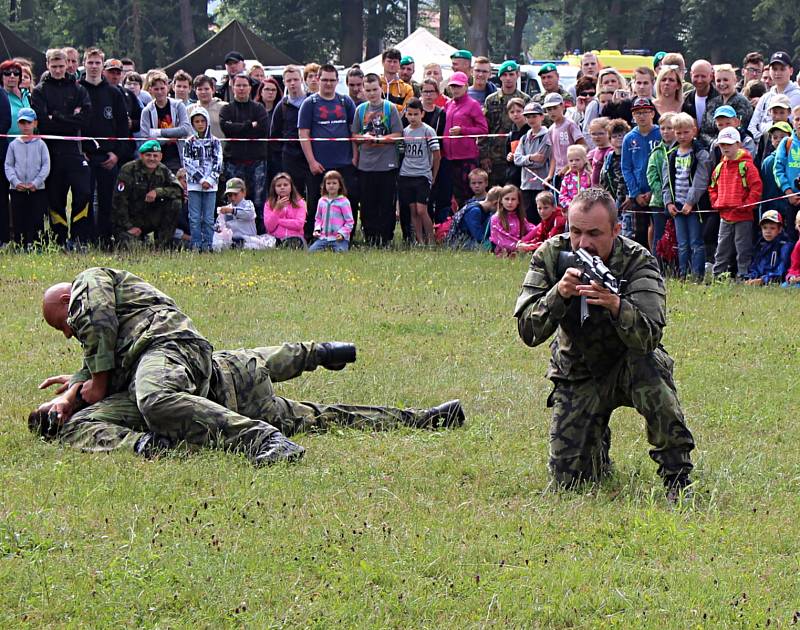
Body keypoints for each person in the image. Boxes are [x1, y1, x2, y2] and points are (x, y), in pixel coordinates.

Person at [35, 269, 465, 464]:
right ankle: (423, 419)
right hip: (215, 392)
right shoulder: (101, 357)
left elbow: (97, 324)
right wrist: (72, 394)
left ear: (65, 299)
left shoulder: (91, 284)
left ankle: (262, 438)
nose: (69, 333)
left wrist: (87, 383)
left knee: (157, 398)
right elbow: (95, 373)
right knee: (319, 417)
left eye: (64, 324)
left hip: (174, 353)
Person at [513, 188, 695, 501]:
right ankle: (596, 446)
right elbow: (528, 331)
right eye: (576, 232)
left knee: (652, 371)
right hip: (577, 371)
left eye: (595, 234)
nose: (584, 243)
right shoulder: (552, 255)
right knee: (569, 481)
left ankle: (677, 478)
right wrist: (560, 293)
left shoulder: (638, 262)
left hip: (630, 364)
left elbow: (649, 337)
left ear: (615, 230)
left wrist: (615, 305)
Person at [31, 48, 92, 246]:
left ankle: (79, 237)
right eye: (54, 66)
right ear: (48, 65)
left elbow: (84, 119)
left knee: (83, 192)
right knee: (55, 197)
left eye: (61, 66)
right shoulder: (40, 90)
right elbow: (42, 121)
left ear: (68, 65)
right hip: (51, 152)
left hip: (74, 150)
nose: (58, 70)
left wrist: (56, 116)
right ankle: (59, 238)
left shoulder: (78, 89)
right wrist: (69, 118)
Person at [298, 64, 357, 241]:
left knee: (348, 201)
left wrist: (355, 156)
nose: (328, 84)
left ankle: (346, 237)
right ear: (318, 79)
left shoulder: (345, 102)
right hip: (319, 164)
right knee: (316, 202)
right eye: (325, 80)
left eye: (332, 80)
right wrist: (311, 161)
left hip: (344, 163)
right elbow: (303, 133)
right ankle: (314, 237)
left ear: (337, 81)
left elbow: (353, 131)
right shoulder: (309, 103)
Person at [80, 48, 129, 244]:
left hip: (109, 156)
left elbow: (122, 126)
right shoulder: (77, 90)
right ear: (84, 64)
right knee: (84, 198)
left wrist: (117, 154)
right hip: (84, 155)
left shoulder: (113, 93)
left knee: (108, 199)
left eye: (97, 63)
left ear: (102, 65)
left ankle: (105, 237)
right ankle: (87, 237)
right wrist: (80, 151)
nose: (93, 67)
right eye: (90, 63)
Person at [351, 73, 403, 246]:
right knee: (367, 204)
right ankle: (370, 237)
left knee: (386, 203)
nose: (372, 93)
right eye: (368, 90)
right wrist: (363, 138)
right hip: (365, 165)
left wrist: (382, 139)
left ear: (381, 88)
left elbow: (398, 134)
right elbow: (354, 135)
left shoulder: (391, 108)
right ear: (363, 91)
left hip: (387, 165)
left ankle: (386, 238)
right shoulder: (360, 110)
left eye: (374, 89)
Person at [661, 113, 712, 280]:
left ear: (694, 131)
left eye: (685, 132)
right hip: (677, 205)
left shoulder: (700, 154)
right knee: (682, 244)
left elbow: (701, 180)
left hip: (694, 206)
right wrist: (668, 202)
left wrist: (690, 202)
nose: (682, 136)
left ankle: (697, 275)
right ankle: (683, 274)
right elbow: (666, 180)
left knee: (696, 242)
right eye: (678, 132)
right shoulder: (671, 154)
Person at [219, 72, 271, 233]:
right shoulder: (226, 109)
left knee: (258, 199)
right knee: (234, 199)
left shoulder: (259, 108)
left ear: (250, 88)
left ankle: (260, 232)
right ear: (233, 88)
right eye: (238, 85)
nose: (241, 88)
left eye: (244, 85)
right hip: (233, 161)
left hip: (256, 161)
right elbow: (227, 129)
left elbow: (262, 129)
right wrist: (250, 125)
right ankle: (233, 232)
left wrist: (239, 127)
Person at [709, 127, 762, 279]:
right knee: (722, 248)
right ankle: (717, 276)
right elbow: (712, 187)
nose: (725, 148)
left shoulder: (746, 166)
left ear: (738, 144)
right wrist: (716, 202)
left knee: (743, 247)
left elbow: (756, 187)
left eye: (729, 144)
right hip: (725, 215)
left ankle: (743, 275)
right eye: (722, 145)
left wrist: (748, 204)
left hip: (743, 216)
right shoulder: (719, 167)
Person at [111, 140, 183, 248]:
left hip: (151, 217)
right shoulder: (128, 169)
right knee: (131, 248)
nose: (152, 159)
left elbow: (178, 190)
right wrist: (129, 226)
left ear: (161, 156)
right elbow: (119, 201)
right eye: (148, 155)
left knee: (175, 203)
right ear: (141, 156)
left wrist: (158, 192)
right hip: (130, 219)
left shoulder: (163, 170)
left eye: (155, 155)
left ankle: (162, 245)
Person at [398, 97, 440, 244]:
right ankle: (420, 241)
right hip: (406, 174)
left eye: (416, 114)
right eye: (409, 114)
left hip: (422, 175)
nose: (412, 117)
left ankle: (431, 239)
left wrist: (433, 175)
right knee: (413, 211)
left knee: (422, 210)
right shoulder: (405, 132)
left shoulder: (428, 131)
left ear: (422, 114)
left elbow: (437, 155)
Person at [4, 107, 49, 246]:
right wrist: (15, 182)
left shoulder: (41, 144)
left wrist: (36, 183)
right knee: (19, 218)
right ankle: (20, 244)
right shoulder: (13, 145)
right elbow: (8, 165)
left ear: (35, 124)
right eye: (22, 123)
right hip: (17, 189)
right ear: (18, 124)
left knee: (37, 217)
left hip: (37, 189)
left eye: (29, 123)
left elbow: (46, 166)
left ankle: (37, 244)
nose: (26, 126)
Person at [442, 71, 488, 207]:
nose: (455, 89)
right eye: (453, 86)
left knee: (468, 193)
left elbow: (484, 130)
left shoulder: (473, 104)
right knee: (453, 195)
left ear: (466, 87)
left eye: (458, 86)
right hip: (450, 158)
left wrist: (463, 130)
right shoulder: (449, 104)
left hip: (466, 158)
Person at [621, 97, 661, 248]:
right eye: (638, 113)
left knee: (658, 229)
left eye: (645, 112)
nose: (642, 116)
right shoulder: (629, 138)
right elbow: (626, 168)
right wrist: (635, 193)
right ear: (633, 116)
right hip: (638, 194)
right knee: (640, 231)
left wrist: (654, 191)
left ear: (652, 113)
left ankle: (661, 263)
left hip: (657, 192)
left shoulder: (660, 134)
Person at [482, 60, 530, 186]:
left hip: (518, 155)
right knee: (495, 192)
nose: (508, 78)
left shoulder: (525, 99)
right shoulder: (491, 100)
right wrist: (484, 156)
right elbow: (484, 129)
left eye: (511, 74)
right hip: (495, 156)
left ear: (517, 75)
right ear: (500, 77)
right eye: (505, 75)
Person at [183, 107, 223, 252]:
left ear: (207, 122)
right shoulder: (189, 142)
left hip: (211, 186)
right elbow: (187, 162)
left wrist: (210, 180)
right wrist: (201, 180)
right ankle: (195, 244)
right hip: (194, 185)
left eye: (202, 121)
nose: (200, 124)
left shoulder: (215, 142)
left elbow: (218, 162)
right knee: (194, 218)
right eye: (196, 121)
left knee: (208, 218)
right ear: (192, 124)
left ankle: (207, 245)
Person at [139, 70, 192, 174]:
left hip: (177, 156)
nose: (159, 92)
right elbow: (146, 139)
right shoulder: (147, 111)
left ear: (167, 88)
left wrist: (158, 132)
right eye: (156, 89)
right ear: (150, 90)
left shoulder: (178, 106)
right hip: (155, 158)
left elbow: (185, 129)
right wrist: (169, 138)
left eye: (162, 88)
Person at [270, 66, 309, 202]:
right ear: (285, 83)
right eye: (289, 80)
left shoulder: (311, 102)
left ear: (302, 81)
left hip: (311, 156)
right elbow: (274, 135)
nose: (293, 83)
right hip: (290, 157)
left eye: (296, 79)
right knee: (293, 195)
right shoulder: (281, 106)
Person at [514, 102, 554, 223]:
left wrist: (524, 160)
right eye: (528, 116)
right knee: (528, 216)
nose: (531, 119)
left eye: (534, 116)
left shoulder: (547, 136)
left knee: (543, 216)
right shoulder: (524, 138)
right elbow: (517, 159)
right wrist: (531, 158)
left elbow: (540, 161)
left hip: (540, 184)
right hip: (526, 184)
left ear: (542, 117)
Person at [749, 52, 800, 141]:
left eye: (782, 69)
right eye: (774, 69)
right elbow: (752, 126)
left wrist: (762, 127)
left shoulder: (797, 96)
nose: (777, 73)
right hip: (763, 147)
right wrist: (763, 140)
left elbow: (787, 125)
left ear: (791, 71)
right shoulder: (765, 97)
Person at [420, 77, 451, 224]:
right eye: (425, 91)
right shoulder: (414, 111)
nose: (428, 95)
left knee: (441, 194)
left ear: (437, 93)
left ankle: (440, 227)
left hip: (438, 157)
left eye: (431, 92)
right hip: (418, 159)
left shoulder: (442, 113)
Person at [646, 112, 677, 257]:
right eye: (662, 128)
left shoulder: (681, 150)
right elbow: (652, 176)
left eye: (669, 128)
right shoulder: (657, 152)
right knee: (659, 237)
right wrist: (665, 197)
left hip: (678, 202)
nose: (665, 131)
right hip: (658, 202)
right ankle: (657, 266)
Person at [701, 65, 753, 145]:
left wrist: (723, 142)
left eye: (725, 80)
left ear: (734, 80)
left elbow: (741, 129)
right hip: (712, 148)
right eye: (718, 81)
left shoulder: (742, 103)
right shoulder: (712, 103)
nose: (722, 83)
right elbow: (703, 132)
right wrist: (713, 143)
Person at [103, 58, 142, 164]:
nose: (115, 76)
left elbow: (140, 121)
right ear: (103, 72)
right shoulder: (98, 92)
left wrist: (131, 124)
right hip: (104, 149)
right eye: (111, 72)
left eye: (118, 73)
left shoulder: (129, 95)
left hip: (126, 150)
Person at [760, 121, 792, 239]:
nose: (778, 140)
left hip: (791, 207)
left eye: (783, 137)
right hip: (772, 211)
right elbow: (764, 191)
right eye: (775, 137)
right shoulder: (768, 162)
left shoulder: (795, 161)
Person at [545, 93, 586, 184]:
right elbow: (553, 155)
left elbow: (583, 147)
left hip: (574, 171)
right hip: (559, 174)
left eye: (555, 108)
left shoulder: (570, 124)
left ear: (562, 106)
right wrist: (550, 175)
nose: (552, 112)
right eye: (549, 109)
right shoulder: (550, 130)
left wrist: (568, 166)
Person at [772, 105, 800, 238]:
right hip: (791, 200)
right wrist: (788, 192)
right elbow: (778, 169)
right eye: (797, 119)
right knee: (791, 237)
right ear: (792, 121)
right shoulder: (786, 143)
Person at [309, 170, 354, 252]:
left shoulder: (344, 202)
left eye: (334, 183)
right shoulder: (322, 201)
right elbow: (318, 219)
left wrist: (342, 234)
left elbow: (349, 222)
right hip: (323, 238)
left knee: (341, 252)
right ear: (324, 185)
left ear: (340, 185)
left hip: (339, 239)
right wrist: (317, 230)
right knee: (311, 251)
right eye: (328, 183)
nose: (331, 186)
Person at [745, 210, 793, 285]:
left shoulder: (785, 246)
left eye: (772, 228)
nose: (768, 231)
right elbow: (754, 265)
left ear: (780, 229)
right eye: (764, 228)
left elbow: (782, 271)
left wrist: (763, 280)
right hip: (759, 279)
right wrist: (751, 277)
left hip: (772, 280)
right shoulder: (760, 244)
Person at [263, 172, 306, 248]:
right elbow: (269, 227)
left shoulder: (300, 203)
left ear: (291, 187)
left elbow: (299, 224)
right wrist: (277, 209)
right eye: (279, 185)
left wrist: (279, 221)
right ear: (274, 188)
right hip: (275, 238)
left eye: (285, 185)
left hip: (295, 238)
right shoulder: (268, 204)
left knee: (293, 242)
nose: (282, 187)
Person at [489, 184, 533, 256]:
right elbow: (500, 238)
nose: (510, 202)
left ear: (518, 201)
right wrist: (518, 245)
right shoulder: (495, 218)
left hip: (521, 251)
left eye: (513, 199)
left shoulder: (520, 217)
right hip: (502, 254)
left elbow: (531, 230)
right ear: (501, 201)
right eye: (507, 199)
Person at [600, 118, 631, 219]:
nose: (619, 138)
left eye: (621, 135)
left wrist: (628, 194)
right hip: (612, 200)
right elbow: (603, 179)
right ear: (609, 139)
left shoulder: (631, 155)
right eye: (614, 136)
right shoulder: (608, 157)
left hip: (628, 201)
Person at [753, 95, 790, 166]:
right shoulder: (765, 135)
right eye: (775, 112)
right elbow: (758, 160)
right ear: (769, 112)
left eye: (782, 112)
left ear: (789, 112)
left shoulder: (795, 134)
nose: (778, 117)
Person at [218, 177, 257, 244]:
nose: (233, 198)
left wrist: (233, 211)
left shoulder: (248, 204)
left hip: (249, 240)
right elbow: (220, 224)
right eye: (230, 195)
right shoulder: (226, 209)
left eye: (235, 194)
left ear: (244, 193)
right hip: (232, 241)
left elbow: (249, 214)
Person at [504, 98, 529, 190]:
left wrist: (518, 157)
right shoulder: (511, 134)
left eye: (519, 111)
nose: (515, 114)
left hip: (527, 175)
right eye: (512, 112)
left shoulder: (530, 131)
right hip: (514, 175)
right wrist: (509, 156)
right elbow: (508, 156)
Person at [681, 60, 715, 127]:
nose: (699, 81)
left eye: (703, 76)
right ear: (691, 75)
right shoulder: (685, 100)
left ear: (711, 76)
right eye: (696, 76)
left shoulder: (720, 99)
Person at [188, 75, 224, 139]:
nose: (203, 92)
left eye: (206, 89)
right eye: (200, 89)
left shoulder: (224, 107)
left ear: (213, 90)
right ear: (195, 91)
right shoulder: (189, 110)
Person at [378, 48, 413, 113]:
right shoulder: (375, 84)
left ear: (399, 64)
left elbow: (406, 111)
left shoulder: (406, 89)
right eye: (389, 61)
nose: (392, 64)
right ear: (383, 63)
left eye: (395, 62)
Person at [558, 144, 592, 210]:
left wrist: (584, 204)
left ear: (584, 160)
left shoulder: (589, 176)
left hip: (587, 210)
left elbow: (593, 195)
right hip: (572, 210)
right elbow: (562, 196)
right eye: (571, 161)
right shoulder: (567, 178)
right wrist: (571, 205)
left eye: (577, 160)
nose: (574, 163)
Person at [587, 117, 612, 187]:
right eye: (593, 134)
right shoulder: (593, 152)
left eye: (601, 133)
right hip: (594, 190)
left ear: (609, 133)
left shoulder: (610, 152)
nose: (597, 137)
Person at [782, 214, 800, 286]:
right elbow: (794, 267)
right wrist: (791, 277)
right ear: (796, 227)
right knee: (785, 285)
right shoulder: (798, 245)